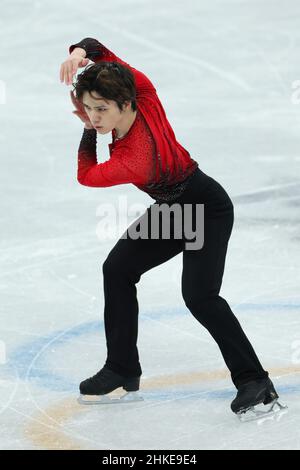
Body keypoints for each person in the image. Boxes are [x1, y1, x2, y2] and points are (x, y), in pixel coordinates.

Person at [59, 37, 280, 415]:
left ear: (125, 104)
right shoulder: (141, 89)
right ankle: (122, 367)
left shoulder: (133, 158)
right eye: (88, 108)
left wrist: (86, 132)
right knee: (117, 269)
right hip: (175, 208)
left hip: (206, 208)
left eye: (101, 109)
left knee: (200, 297)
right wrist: (80, 53)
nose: (95, 116)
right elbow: (100, 49)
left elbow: (86, 175)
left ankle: (255, 380)